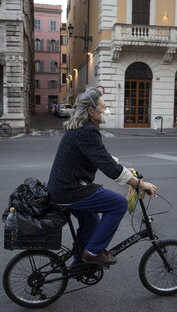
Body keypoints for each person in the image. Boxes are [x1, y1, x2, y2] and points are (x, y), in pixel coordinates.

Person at [47, 88, 157, 266]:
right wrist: (139, 184)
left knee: (91, 220)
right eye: (103, 107)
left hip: (62, 188)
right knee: (118, 203)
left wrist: (125, 170)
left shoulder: (81, 128)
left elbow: (101, 157)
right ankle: (92, 252)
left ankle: (80, 263)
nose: (105, 111)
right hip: (69, 190)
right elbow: (108, 166)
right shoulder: (87, 131)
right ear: (91, 111)